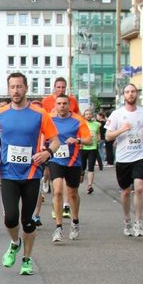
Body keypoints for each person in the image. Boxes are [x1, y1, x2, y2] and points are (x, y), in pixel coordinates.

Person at [0, 73, 59, 276]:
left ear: (26, 88)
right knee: (11, 218)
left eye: (19, 86)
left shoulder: (39, 114)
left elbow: (56, 140)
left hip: (31, 174)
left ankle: (27, 260)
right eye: (12, 87)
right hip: (8, 173)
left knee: (27, 220)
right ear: (8, 89)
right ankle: (14, 242)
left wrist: (47, 153)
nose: (16, 90)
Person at [105, 84, 143, 237]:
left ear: (137, 94)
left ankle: (138, 222)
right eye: (127, 92)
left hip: (140, 155)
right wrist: (122, 130)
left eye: (133, 91)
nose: (130, 94)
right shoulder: (117, 114)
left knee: (139, 188)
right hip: (123, 158)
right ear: (124, 95)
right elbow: (108, 136)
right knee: (126, 192)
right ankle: (127, 219)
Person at [48, 95, 91, 242]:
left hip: (73, 161)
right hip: (55, 159)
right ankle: (58, 227)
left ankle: (75, 221)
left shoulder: (78, 120)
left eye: (64, 103)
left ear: (69, 105)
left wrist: (77, 140)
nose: (62, 106)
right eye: (59, 103)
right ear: (55, 105)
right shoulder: (50, 119)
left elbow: (89, 139)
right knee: (58, 191)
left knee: (72, 194)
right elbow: (41, 134)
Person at [81, 106, 103, 194]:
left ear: (92, 115)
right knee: (82, 167)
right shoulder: (81, 124)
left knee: (91, 167)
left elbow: (98, 134)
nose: (88, 115)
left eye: (90, 114)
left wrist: (98, 139)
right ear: (84, 116)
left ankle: (90, 186)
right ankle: (82, 173)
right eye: (86, 114)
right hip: (83, 148)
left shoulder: (97, 124)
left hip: (93, 148)